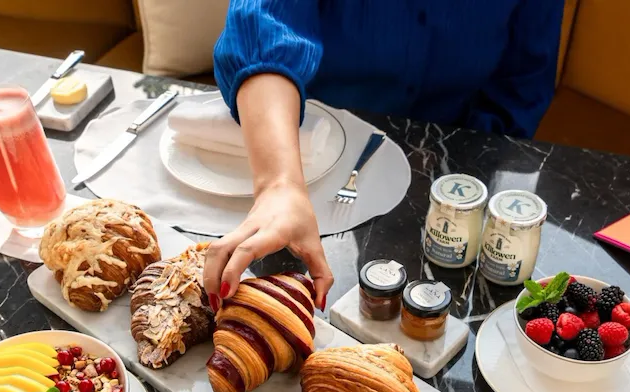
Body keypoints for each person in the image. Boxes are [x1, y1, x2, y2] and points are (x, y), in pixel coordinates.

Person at [203, 0, 565, 312]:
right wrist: (279, 185)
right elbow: (261, 28)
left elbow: (521, 85)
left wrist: (462, 166)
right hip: (307, 162)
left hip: (456, 178)